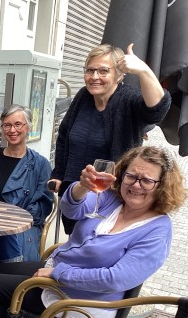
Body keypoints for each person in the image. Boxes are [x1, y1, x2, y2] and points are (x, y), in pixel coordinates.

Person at [0, 146, 188, 318]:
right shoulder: (112, 198)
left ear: (162, 185)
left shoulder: (157, 230)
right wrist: (82, 187)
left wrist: (58, 273)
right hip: (62, 272)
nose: (136, 185)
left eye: (147, 180)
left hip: (89, 299)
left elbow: (114, 280)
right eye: (131, 176)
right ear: (121, 173)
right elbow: (71, 209)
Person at [49, 43, 171, 235]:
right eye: (90, 70)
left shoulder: (128, 99)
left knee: (98, 243)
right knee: (77, 240)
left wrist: (143, 71)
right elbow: (64, 136)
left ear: (119, 75)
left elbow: (157, 110)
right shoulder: (83, 96)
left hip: (110, 198)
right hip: (76, 193)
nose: (94, 77)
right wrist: (58, 173)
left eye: (103, 71)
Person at [0, 104, 54, 268]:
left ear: (28, 127)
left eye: (18, 124)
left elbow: (43, 206)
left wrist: (10, 220)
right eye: (7, 125)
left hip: (21, 229)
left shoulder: (40, 164)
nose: (12, 130)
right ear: (2, 129)